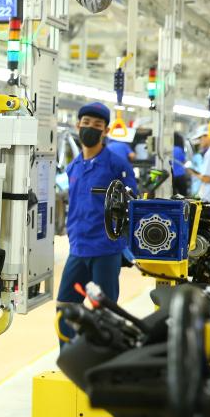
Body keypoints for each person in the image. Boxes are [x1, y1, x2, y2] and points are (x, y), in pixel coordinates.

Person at [56, 102, 137, 344]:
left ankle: (103, 360)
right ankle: (70, 357)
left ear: (106, 130)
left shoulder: (116, 165)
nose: (91, 128)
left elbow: (131, 202)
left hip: (105, 249)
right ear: (78, 125)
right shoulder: (74, 166)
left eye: (97, 125)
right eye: (86, 123)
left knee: (106, 311)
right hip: (78, 248)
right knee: (65, 307)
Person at [172, 132, 190, 197]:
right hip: (181, 175)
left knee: (173, 195)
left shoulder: (168, 150)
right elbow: (183, 160)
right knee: (183, 195)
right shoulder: (179, 149)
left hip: (172, 175)